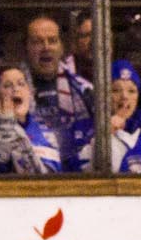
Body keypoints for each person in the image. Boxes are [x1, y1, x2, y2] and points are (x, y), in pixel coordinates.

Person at [21, 14, 96, 172]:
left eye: (52, 40)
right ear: (25, 48)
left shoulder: (84, 91)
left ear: (61, 47)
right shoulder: (10, 90)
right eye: (37, 42)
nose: (46, 47)